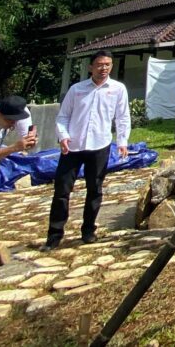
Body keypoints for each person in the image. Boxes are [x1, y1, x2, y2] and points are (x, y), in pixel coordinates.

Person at [43, 50, 130, 250]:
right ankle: (54, 235)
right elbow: (63, 116)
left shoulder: (118, 89)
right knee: (62, 191)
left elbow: (122, 117)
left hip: (100, 144)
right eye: (99, 64)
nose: (103, 68)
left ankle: (88, 230)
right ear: (91, 66)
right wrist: (63, 136)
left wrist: (122, 141)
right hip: (73, 146)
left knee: (95, 190)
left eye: (107, 65)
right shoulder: (77, 89)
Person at [0, 95, 37, 165]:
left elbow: (27, 140)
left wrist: (30, 142)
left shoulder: (20, 110)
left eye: (16, 120)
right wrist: (14, 148)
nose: (13, 123)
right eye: (9, 120)